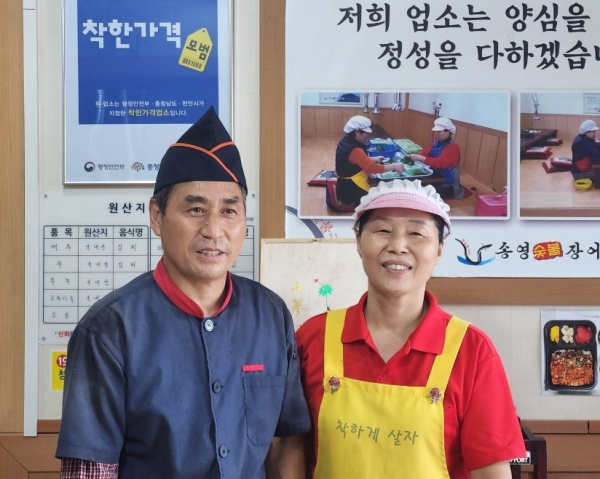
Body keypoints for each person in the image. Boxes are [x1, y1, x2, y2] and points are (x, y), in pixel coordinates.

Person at [56, 107, 311, 479]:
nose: (213, 230)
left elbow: (285, 441)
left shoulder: (270, 314)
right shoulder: (109, 329)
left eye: (229, 211)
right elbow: (91, 469)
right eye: (195, 209)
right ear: (156, 216)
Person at [296, 179, 525, 479]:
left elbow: (490, 472)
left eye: (416, 233)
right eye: (382, 230)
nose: (398, 246)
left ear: (439, 250)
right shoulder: (314, 337)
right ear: (358, 242)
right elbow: (289, 452)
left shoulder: (471, 350)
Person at [335, 115, 404, 207]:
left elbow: (353, 161)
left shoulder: (346, 141)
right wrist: (394, 166)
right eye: (365, 133)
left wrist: (373, 159)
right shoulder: (355, 149)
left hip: (343, 186)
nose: (367, 135)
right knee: (380, 200)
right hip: (351, 189)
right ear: (357, 132)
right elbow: (371, 168)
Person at [409, 116, 464, 200]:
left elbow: (439, 163)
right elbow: (427, 151)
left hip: (448, 184)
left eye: (439, 132)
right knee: (416, 184)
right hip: (438, 175)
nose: (436, 134)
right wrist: (418, 155)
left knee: (424, 194)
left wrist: (419, 157)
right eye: (435, 131)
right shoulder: (437, 142)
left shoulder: (453, 147)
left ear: (448, 131)